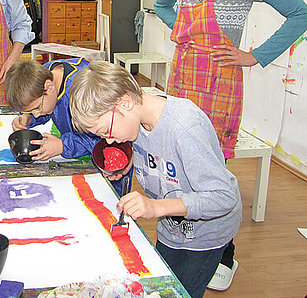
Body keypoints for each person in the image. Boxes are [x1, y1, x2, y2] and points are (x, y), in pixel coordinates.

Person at [154, 0, 307, 290]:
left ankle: (226, 253)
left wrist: (255, 56)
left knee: (213, 167)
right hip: (183, 80)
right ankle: (186, 234)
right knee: (179, 157)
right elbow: (160, 6)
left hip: (221, 85)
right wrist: (180, 32)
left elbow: (300, 13)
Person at [69, 61, 242, 298]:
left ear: (125, 103)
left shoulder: (185, 127)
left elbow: (223, 198)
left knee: (183, 292)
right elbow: (157, 156)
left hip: (205, 235)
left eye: (105, 131)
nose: (108, 141)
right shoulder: (134, 119)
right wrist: (128, 163)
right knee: (161, 288)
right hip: (171, 227)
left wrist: (155, 207)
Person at [5, 58, 132, 196]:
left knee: (106, 205)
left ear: (49, 87)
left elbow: (105, 139)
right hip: (78, 157)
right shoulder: (45, 75)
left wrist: (63, 146)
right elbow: (49, 106)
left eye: (36, 108)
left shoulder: (83, 93)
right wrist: (27, 118)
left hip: (109, 160)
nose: (36, 115)